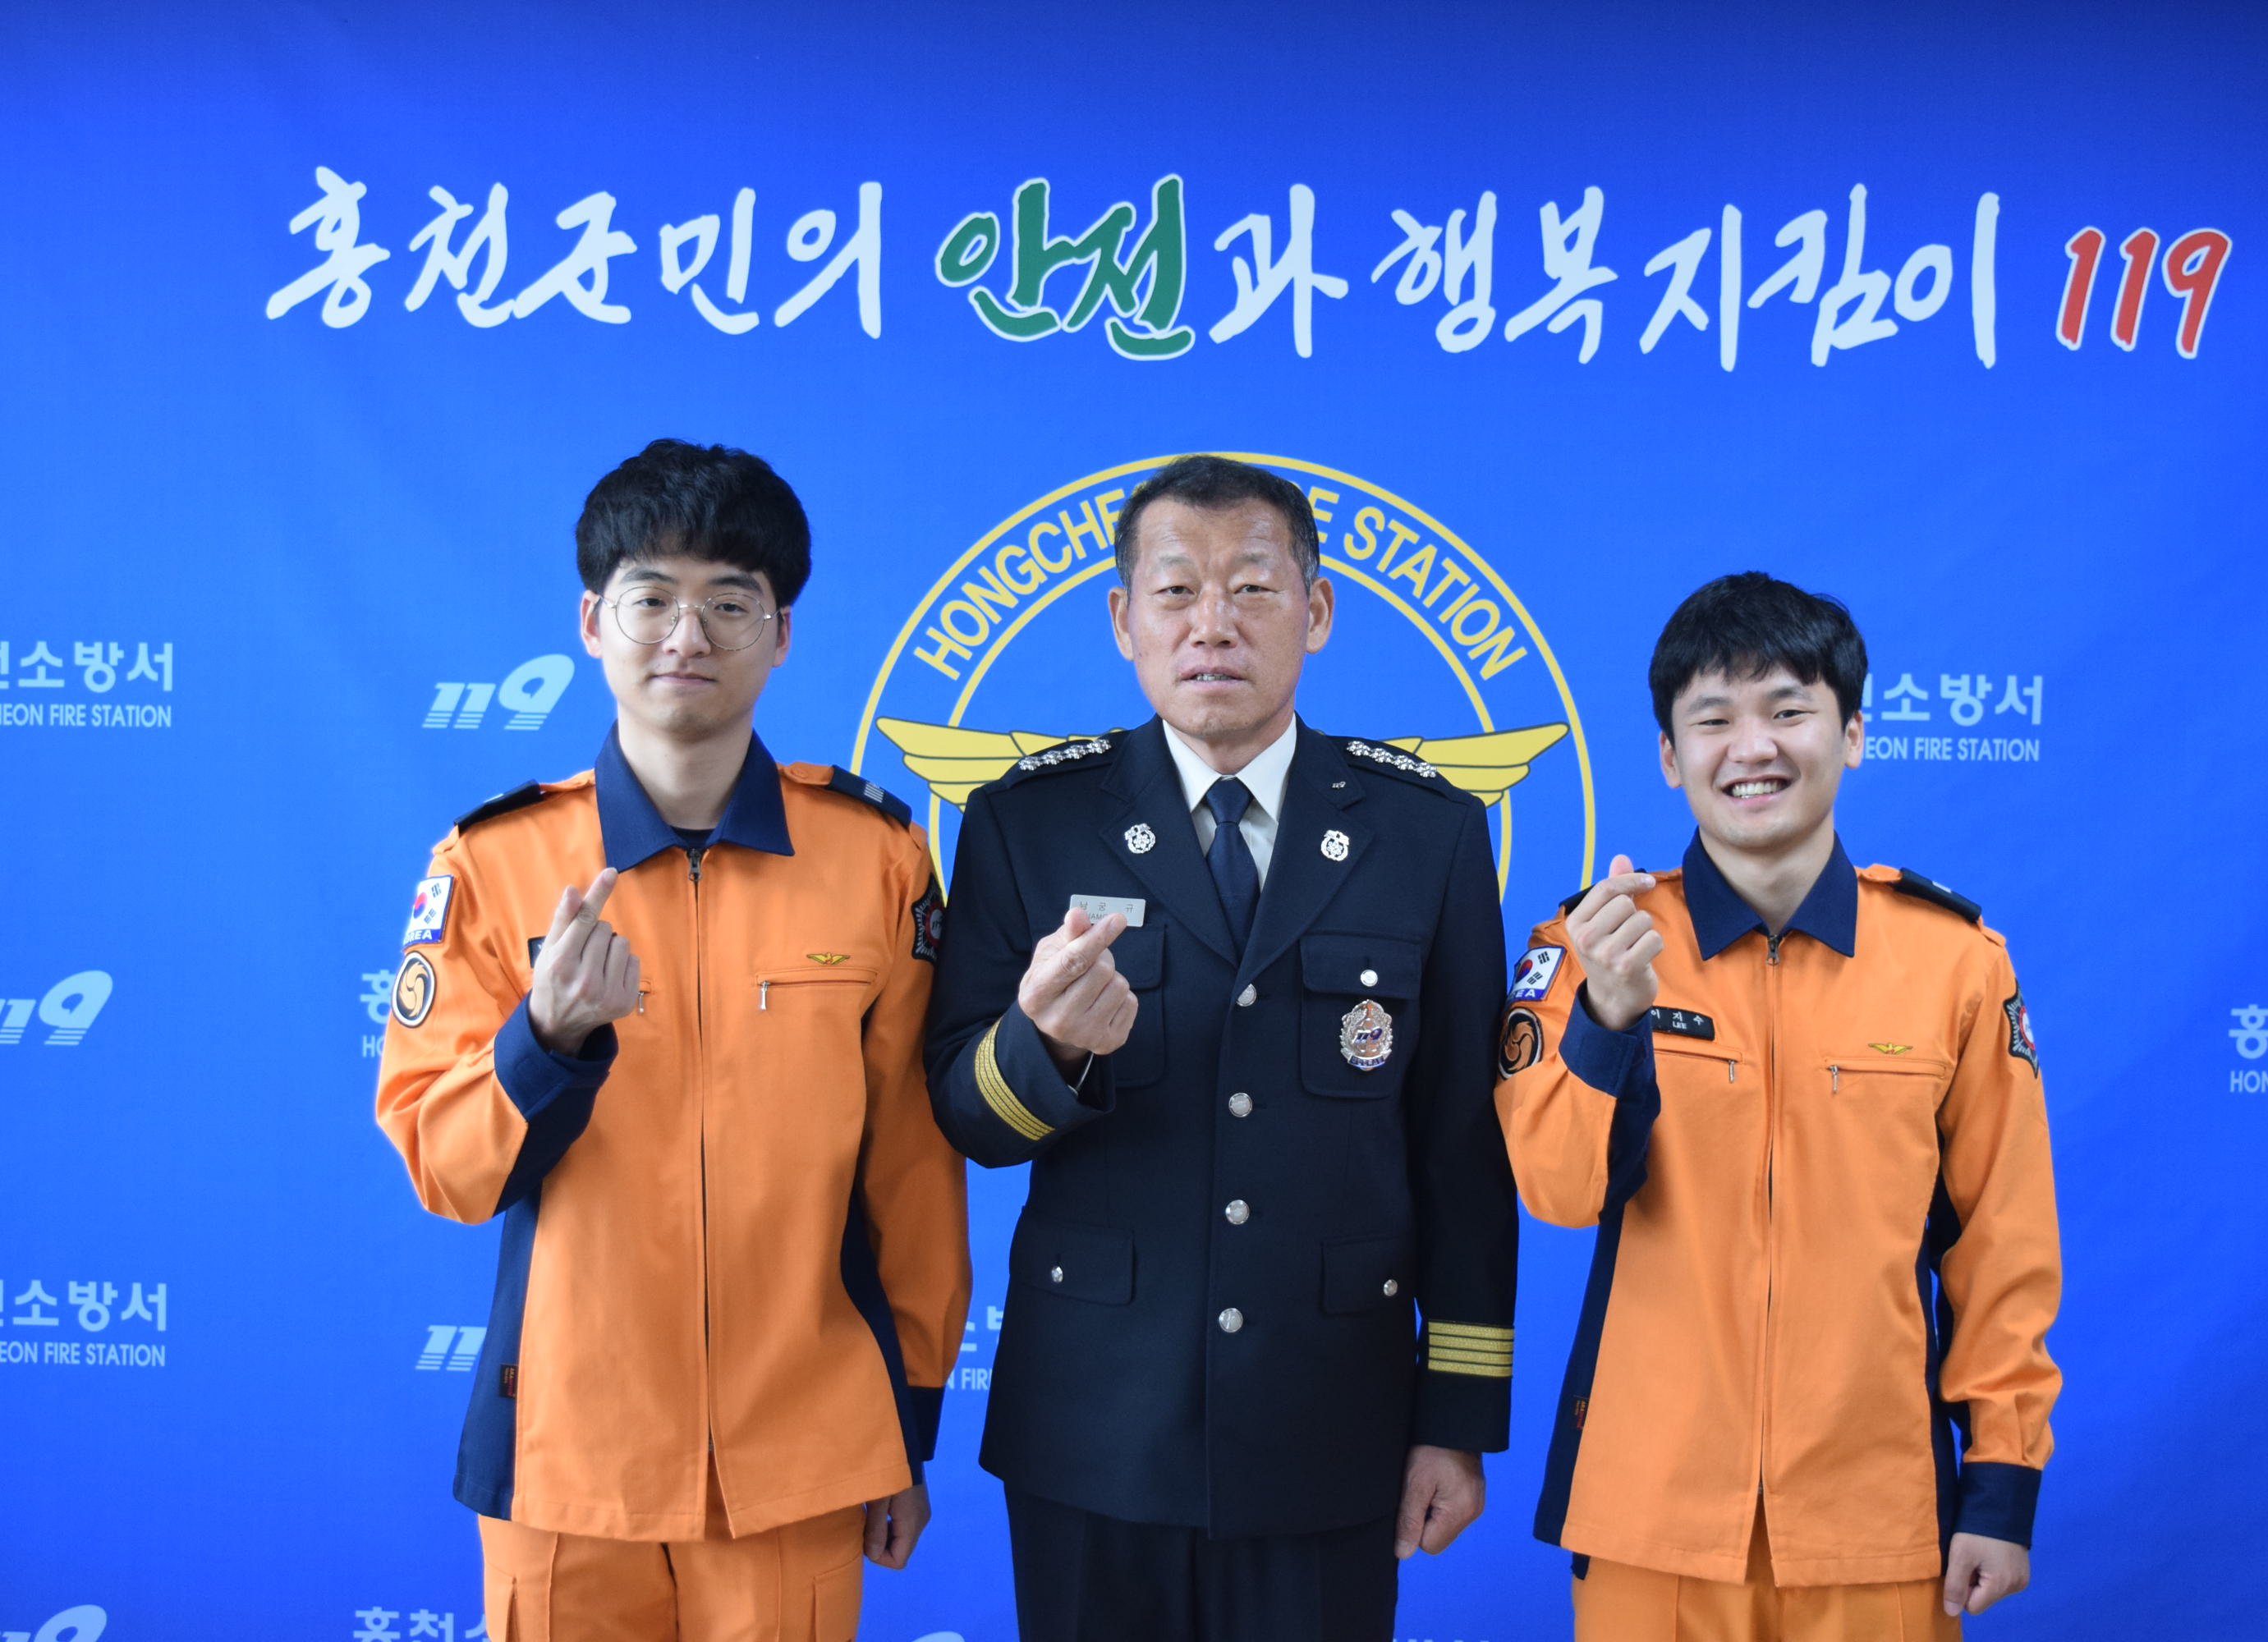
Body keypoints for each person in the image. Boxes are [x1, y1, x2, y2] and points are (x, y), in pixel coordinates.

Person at [374, 439, 969, 1642]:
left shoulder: (876, 859)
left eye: (729, 603)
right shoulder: (492, 863)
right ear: (592, 622)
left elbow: (913, 1165)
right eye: (651, 598)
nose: (686, 635)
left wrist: (905, 1423)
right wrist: (546, 1040)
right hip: (567, 1460)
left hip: (804, 1457)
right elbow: (445, 1168)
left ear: (780, 634)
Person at [924, 455, 1518, 1642]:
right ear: (1123, 622)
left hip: (1330, 1419)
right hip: (1093, 1424)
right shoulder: (1026, 822)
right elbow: (964, 1118)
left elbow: (1461, 1144)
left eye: (1252, 588)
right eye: (1175, 591)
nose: (1213, 625)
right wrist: (1046, 1049)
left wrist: (1455, 1415)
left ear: (1317, 610)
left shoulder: (1429, 833)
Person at [1494, 572, 2061, 1641]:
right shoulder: (1590, 944)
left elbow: (2003, 1243)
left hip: (1879, 1523)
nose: (1751, 747)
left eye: (1788, 710)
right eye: (1712, 719)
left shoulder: (1955, 963)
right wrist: (1608, 1020)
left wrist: (2001, 1483)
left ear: (1853, 735)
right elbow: (1558, 1192)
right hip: (1649, 1519)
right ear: (1670, 757)